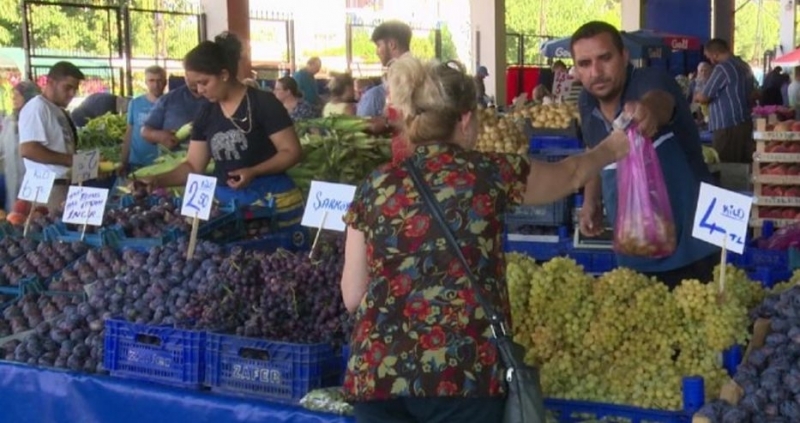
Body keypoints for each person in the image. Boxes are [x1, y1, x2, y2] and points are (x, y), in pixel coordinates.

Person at [340, 55, 629, 423]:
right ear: (463, 119)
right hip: (463, 374)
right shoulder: (488, 173)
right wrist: (614, 147)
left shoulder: (374, 185)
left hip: (376, 375)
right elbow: (570, 174)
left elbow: (352, 296)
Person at [571, 21, 718, 289]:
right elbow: (594, 151)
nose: (596, 71)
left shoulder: (650, 81)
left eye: (605, 58)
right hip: (634, 248)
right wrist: (591, 201)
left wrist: (647, 111)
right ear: (576, 70)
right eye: (584, 63)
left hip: (691, 250)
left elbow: (660, 101)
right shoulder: (586, 102)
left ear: (625, 57)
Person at [138, 32, 304, 230]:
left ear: (224, 75)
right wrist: (157, 180)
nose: (199, 90)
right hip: (227, 207)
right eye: (195, 85)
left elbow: (292, 152)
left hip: (272, 202)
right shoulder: (206, 113)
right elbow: (192, 166)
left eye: (204, 82)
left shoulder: (263, 103)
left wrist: (254, 171)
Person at [18, 61, 84, 212]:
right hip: (49, 188)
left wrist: (86, 166)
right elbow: (28, 149)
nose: (72, 93)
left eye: (75, 89)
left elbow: (62, 148)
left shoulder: (57, 110)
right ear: (50, 82)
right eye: (67, 87)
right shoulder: (37, 108)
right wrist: (70, 160)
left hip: (62, 184)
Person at [694, 38, 758, 164]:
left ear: (715, 55)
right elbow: (754, 93)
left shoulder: (722, 69)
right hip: (744, 122)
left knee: (726, 168)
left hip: (727, 127)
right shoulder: (744, 66)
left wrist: (696, 96)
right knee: (742, 166)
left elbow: (704, 96)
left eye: (709, 57)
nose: (710, 61)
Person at [362, 21, 414, 164]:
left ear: (392, 44)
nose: (377, 51)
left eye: (379, 46)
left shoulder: (404, 70)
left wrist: (385, 123)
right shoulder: (406, 67)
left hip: (410, 153)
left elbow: (415, 118)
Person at [140, 69, 208, 150]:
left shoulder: (219, 98)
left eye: (201, 81)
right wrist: (158, 136)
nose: (199, 88)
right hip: (174, 158)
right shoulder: (168, 99)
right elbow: (145, 131)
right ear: (186, 76)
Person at [0, 81, 40, 212]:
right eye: (13, 95)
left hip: (34, 179)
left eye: (17, 95)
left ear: (28, 96)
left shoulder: (38, 119)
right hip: (12, 179)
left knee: (34, 214)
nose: (13, 98)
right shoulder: (8, 121)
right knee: (15, 215)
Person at [120, 66, 167, 174]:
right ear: (145, 82)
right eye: (151, 80)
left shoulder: (171, 103)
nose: (155, 85)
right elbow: (129, 132)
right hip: (137, 163)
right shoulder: (135, 103)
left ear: (165, 82)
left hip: (163, 163)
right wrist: (123, 160)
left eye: (159, 81)